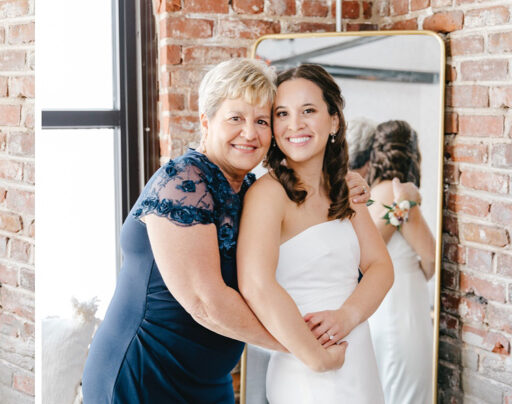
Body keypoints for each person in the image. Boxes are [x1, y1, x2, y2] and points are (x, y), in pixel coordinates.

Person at [80, 58, 371, 403]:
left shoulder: (249, 189)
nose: (250, 133)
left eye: (262, 120)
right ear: (206, 121)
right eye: (236, 118)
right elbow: (205, 303)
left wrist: (341, 185)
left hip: (209, 378)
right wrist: (304, 348)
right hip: (147, 371)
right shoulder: (183, 182)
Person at [237, 64, 393, 403]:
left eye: (308, 110)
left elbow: (381, 266)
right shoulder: (268, 194)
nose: (296, 124)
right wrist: (315, 357)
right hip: (304, 365)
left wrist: (347, 316)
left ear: (333, 120)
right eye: (282, 113)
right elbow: (256, 285)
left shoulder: (345, 187)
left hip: (358, 353)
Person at [364, 120, 435, 404]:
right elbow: (430, 256)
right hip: (403, 302)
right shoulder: (401, 196)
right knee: (407, 389)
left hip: (374, 305)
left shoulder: (368, 196)